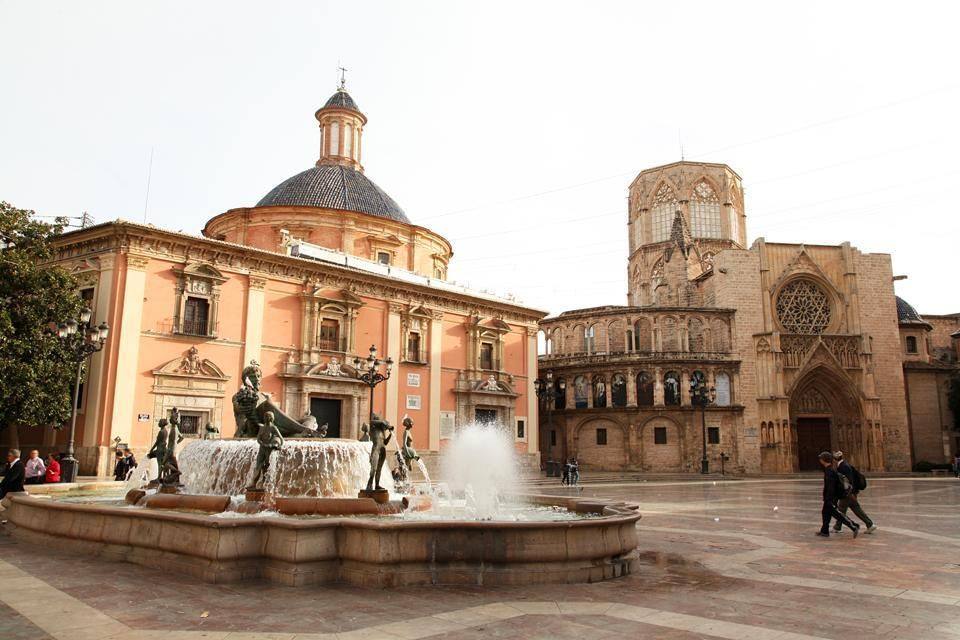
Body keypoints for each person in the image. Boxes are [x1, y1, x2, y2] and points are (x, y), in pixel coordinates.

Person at [816, 451, 859, 538]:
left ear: (823, 460)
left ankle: (853, 526)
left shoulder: (830, 471)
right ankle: (824, 531)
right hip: (830, 497)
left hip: (831, 498)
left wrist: (829, 498)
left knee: (837, 514)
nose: (820, 460)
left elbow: (831, 487)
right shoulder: (830, 469)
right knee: (825, 513)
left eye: (821, 458)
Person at [833, 451, 877, 534]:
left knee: (841, 509)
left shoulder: (843, 466)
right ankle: (869, 524)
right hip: (850, 492)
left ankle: (838, 527)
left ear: (835, 459)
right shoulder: (844, 465)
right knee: (854, 508)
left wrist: (851, 492)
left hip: (848, 493)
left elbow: (849, 481)